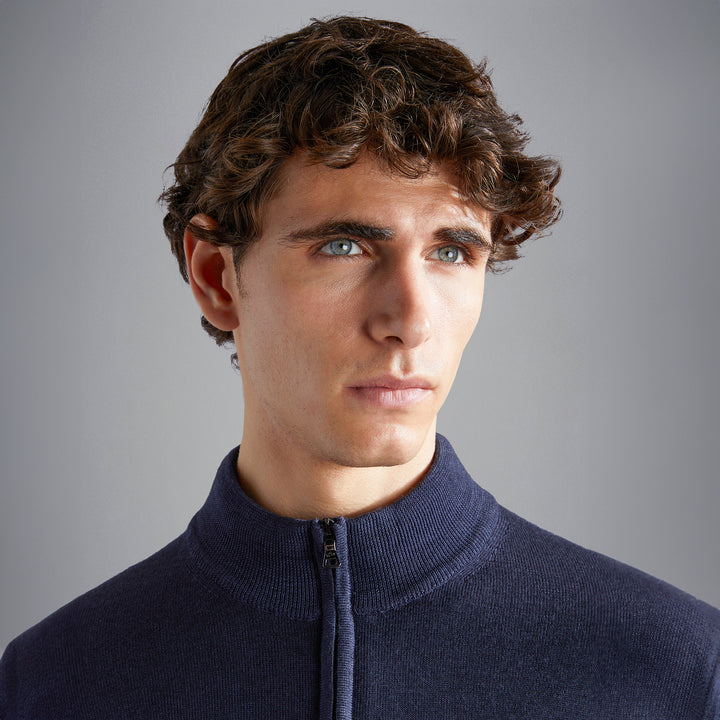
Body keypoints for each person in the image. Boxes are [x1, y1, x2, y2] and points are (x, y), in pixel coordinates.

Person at [1, 15, 718, 719]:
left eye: (451, 252)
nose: (410, 320)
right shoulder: (50, 685)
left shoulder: (677, 672)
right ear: (217, 277)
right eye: (345, 247)